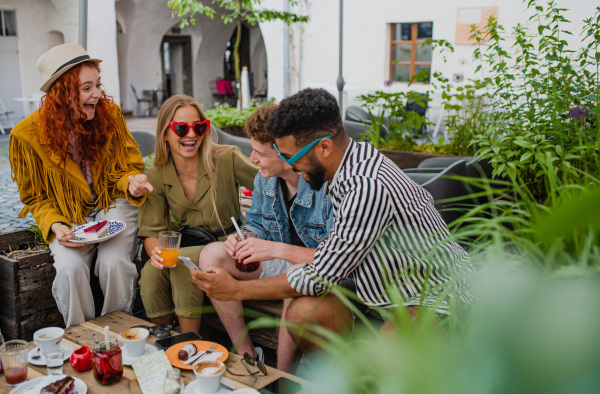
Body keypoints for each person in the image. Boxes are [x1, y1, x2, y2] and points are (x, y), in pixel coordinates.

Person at [191, 88, 471, 356]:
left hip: (435, 298)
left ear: (324, 147)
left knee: (392, 348)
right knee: (304, 312)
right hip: (374, 292)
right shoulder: (346, 165)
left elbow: (320, 273)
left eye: (291, 157)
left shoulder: (365, 187)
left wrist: (236, 290)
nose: (291, 167)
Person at [9, 43, 153, 327]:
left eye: (98, 84)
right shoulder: (25, 136)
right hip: (68, 213)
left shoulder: (109, 114)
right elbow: (35, 197)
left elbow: (127, 167)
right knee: (69, 269)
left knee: (114, 264)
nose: (98, 94)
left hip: (113, 202)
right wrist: (54, 225)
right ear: (62, 93)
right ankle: (82, 338)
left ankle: (118, 331)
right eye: (87, 88)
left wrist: (132, 182)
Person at [198, 104, 333, 371]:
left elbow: (333, 257)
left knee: (295, 279)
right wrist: (244, 237)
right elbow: (257, 223)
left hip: (315, 270)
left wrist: (274, 248)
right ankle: (249, 356)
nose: (253, 158)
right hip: (279, 261)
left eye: (260, 152)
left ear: (286, 154)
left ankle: (281, 378)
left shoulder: (326, 187)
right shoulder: (265, 179)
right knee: (211, 255)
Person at [138, 94, 258, 334]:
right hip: (191, 239)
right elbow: (151, 231)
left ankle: (190, 342)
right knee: (151, 273)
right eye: (181, 128)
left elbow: (268, 186)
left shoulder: (226, 157)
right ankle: (163, 339)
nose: (191, 135)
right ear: (165, 133)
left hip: (228, 244)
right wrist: (157, 255)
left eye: (199, 127)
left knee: (183, 266)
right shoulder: (157, 175)